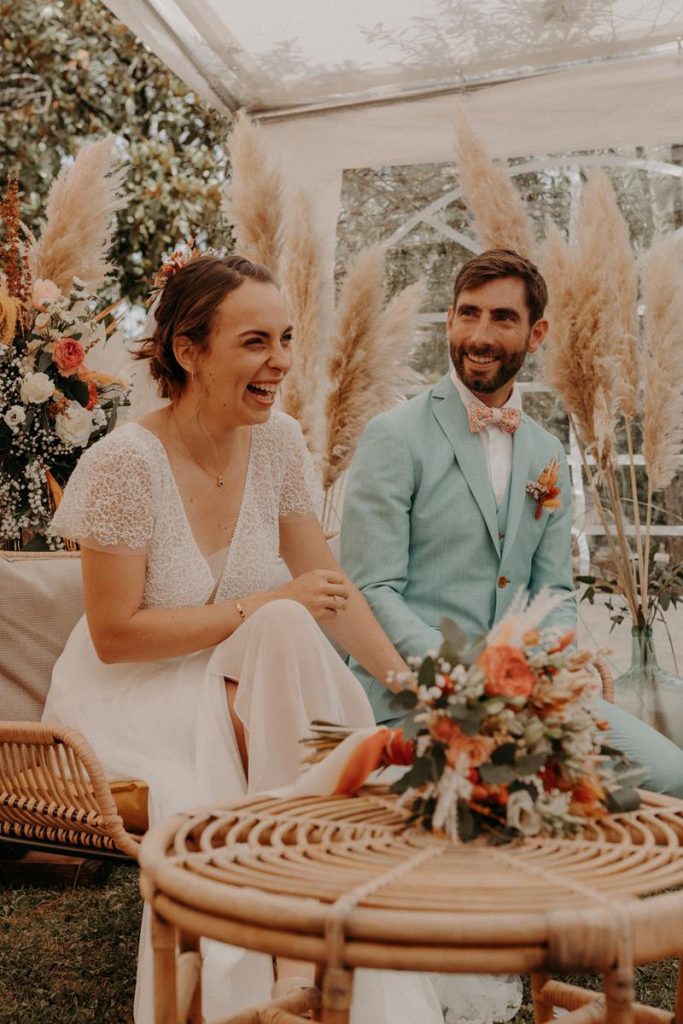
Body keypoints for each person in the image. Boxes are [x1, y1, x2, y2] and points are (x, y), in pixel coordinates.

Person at [42, 253, 520, 1024]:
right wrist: (266, 603)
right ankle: (303, 943)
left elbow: (327, 587)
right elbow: (114, 636)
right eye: (255, 342)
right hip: (133, 690)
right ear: (187, 350)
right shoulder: (126, 462)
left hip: (250, 676)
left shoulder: (279, 441)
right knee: (279, 622)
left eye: (287, 339)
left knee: (288, 625)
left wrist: (418, 692)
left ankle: (294, 956)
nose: (280, 364)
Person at [341, 248, 683, 797]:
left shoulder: (547, 451)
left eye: (502, 318)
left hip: (528, 697)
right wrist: (471, 670)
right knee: (521, 795)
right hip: (416, 698)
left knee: (671, 778)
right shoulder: (393, 437)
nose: (480, 334)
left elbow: (553, 590)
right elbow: (372, 590)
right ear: (450, 319)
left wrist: (547, 664)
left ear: (536, 332)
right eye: (469, 313)